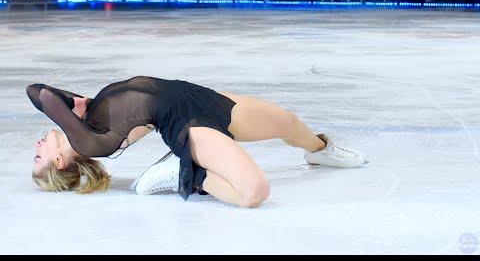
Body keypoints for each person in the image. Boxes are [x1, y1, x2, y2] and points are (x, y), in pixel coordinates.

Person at [27, 76, 367, 207]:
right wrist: (71, 105)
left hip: (198, 97)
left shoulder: (81, 122)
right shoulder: (86, 143)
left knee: (287, 122)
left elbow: (36, 90)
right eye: (38, 158)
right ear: (60, 162)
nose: (36, 147)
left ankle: (321, 151)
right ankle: (187, 175)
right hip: (186, 124)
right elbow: (42, 96)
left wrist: (75, 104)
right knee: (254, 193)